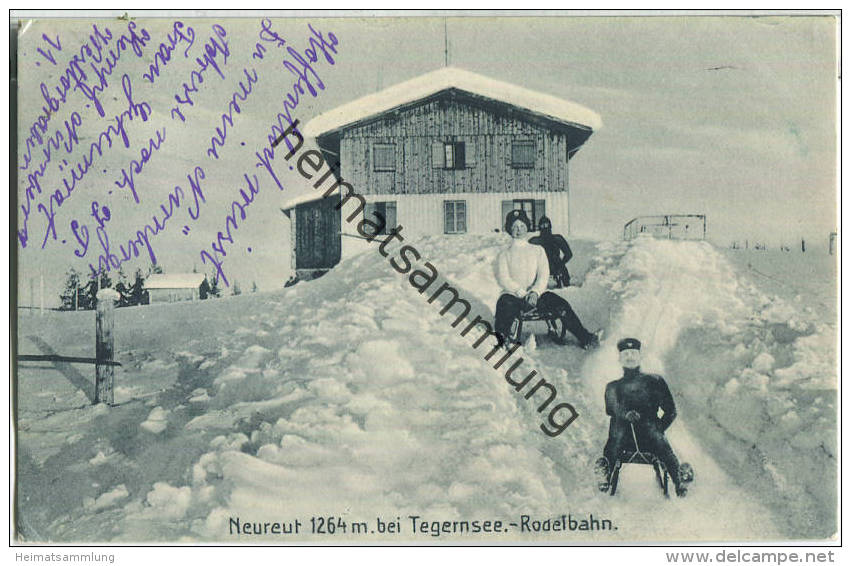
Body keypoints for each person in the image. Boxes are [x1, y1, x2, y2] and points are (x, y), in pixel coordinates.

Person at [595, 338, 689, 497]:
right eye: (626, 354)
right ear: (620, 359)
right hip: (624, 438)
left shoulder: (654, 381)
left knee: (657, 436)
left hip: (650, 437)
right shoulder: (613, 386)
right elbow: (611, 408)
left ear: (640, 356)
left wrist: (658, 426)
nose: (630, 357)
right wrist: (626, 415)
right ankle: (605, 473)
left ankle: (679, 481)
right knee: (616, 429)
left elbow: (670, 410)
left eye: (633, 353)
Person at [494, 209, 599, 349]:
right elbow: (503, 279)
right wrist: (522, 293)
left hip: (536, 296)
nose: (518, 230)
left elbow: (543, 275)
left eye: (522, 226)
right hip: (512, 296)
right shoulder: (504, 254)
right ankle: (503, 341)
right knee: (505, 306)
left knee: (561, 305)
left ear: (527, 227)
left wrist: (535, 292)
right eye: (514, 227)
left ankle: (585, 338)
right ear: (509, 229)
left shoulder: (537, 250)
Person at [529, 215, 573, 288]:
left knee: (566, 287)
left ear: (550, 226)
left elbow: (568, 254)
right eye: (543, 226)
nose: (545, 227)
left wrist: (561, 264)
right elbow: (527, 255)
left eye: (546, 225)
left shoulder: (557, 239)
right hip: (540, 267)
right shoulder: (535, 241)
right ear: (540, 228)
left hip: (556, 266)